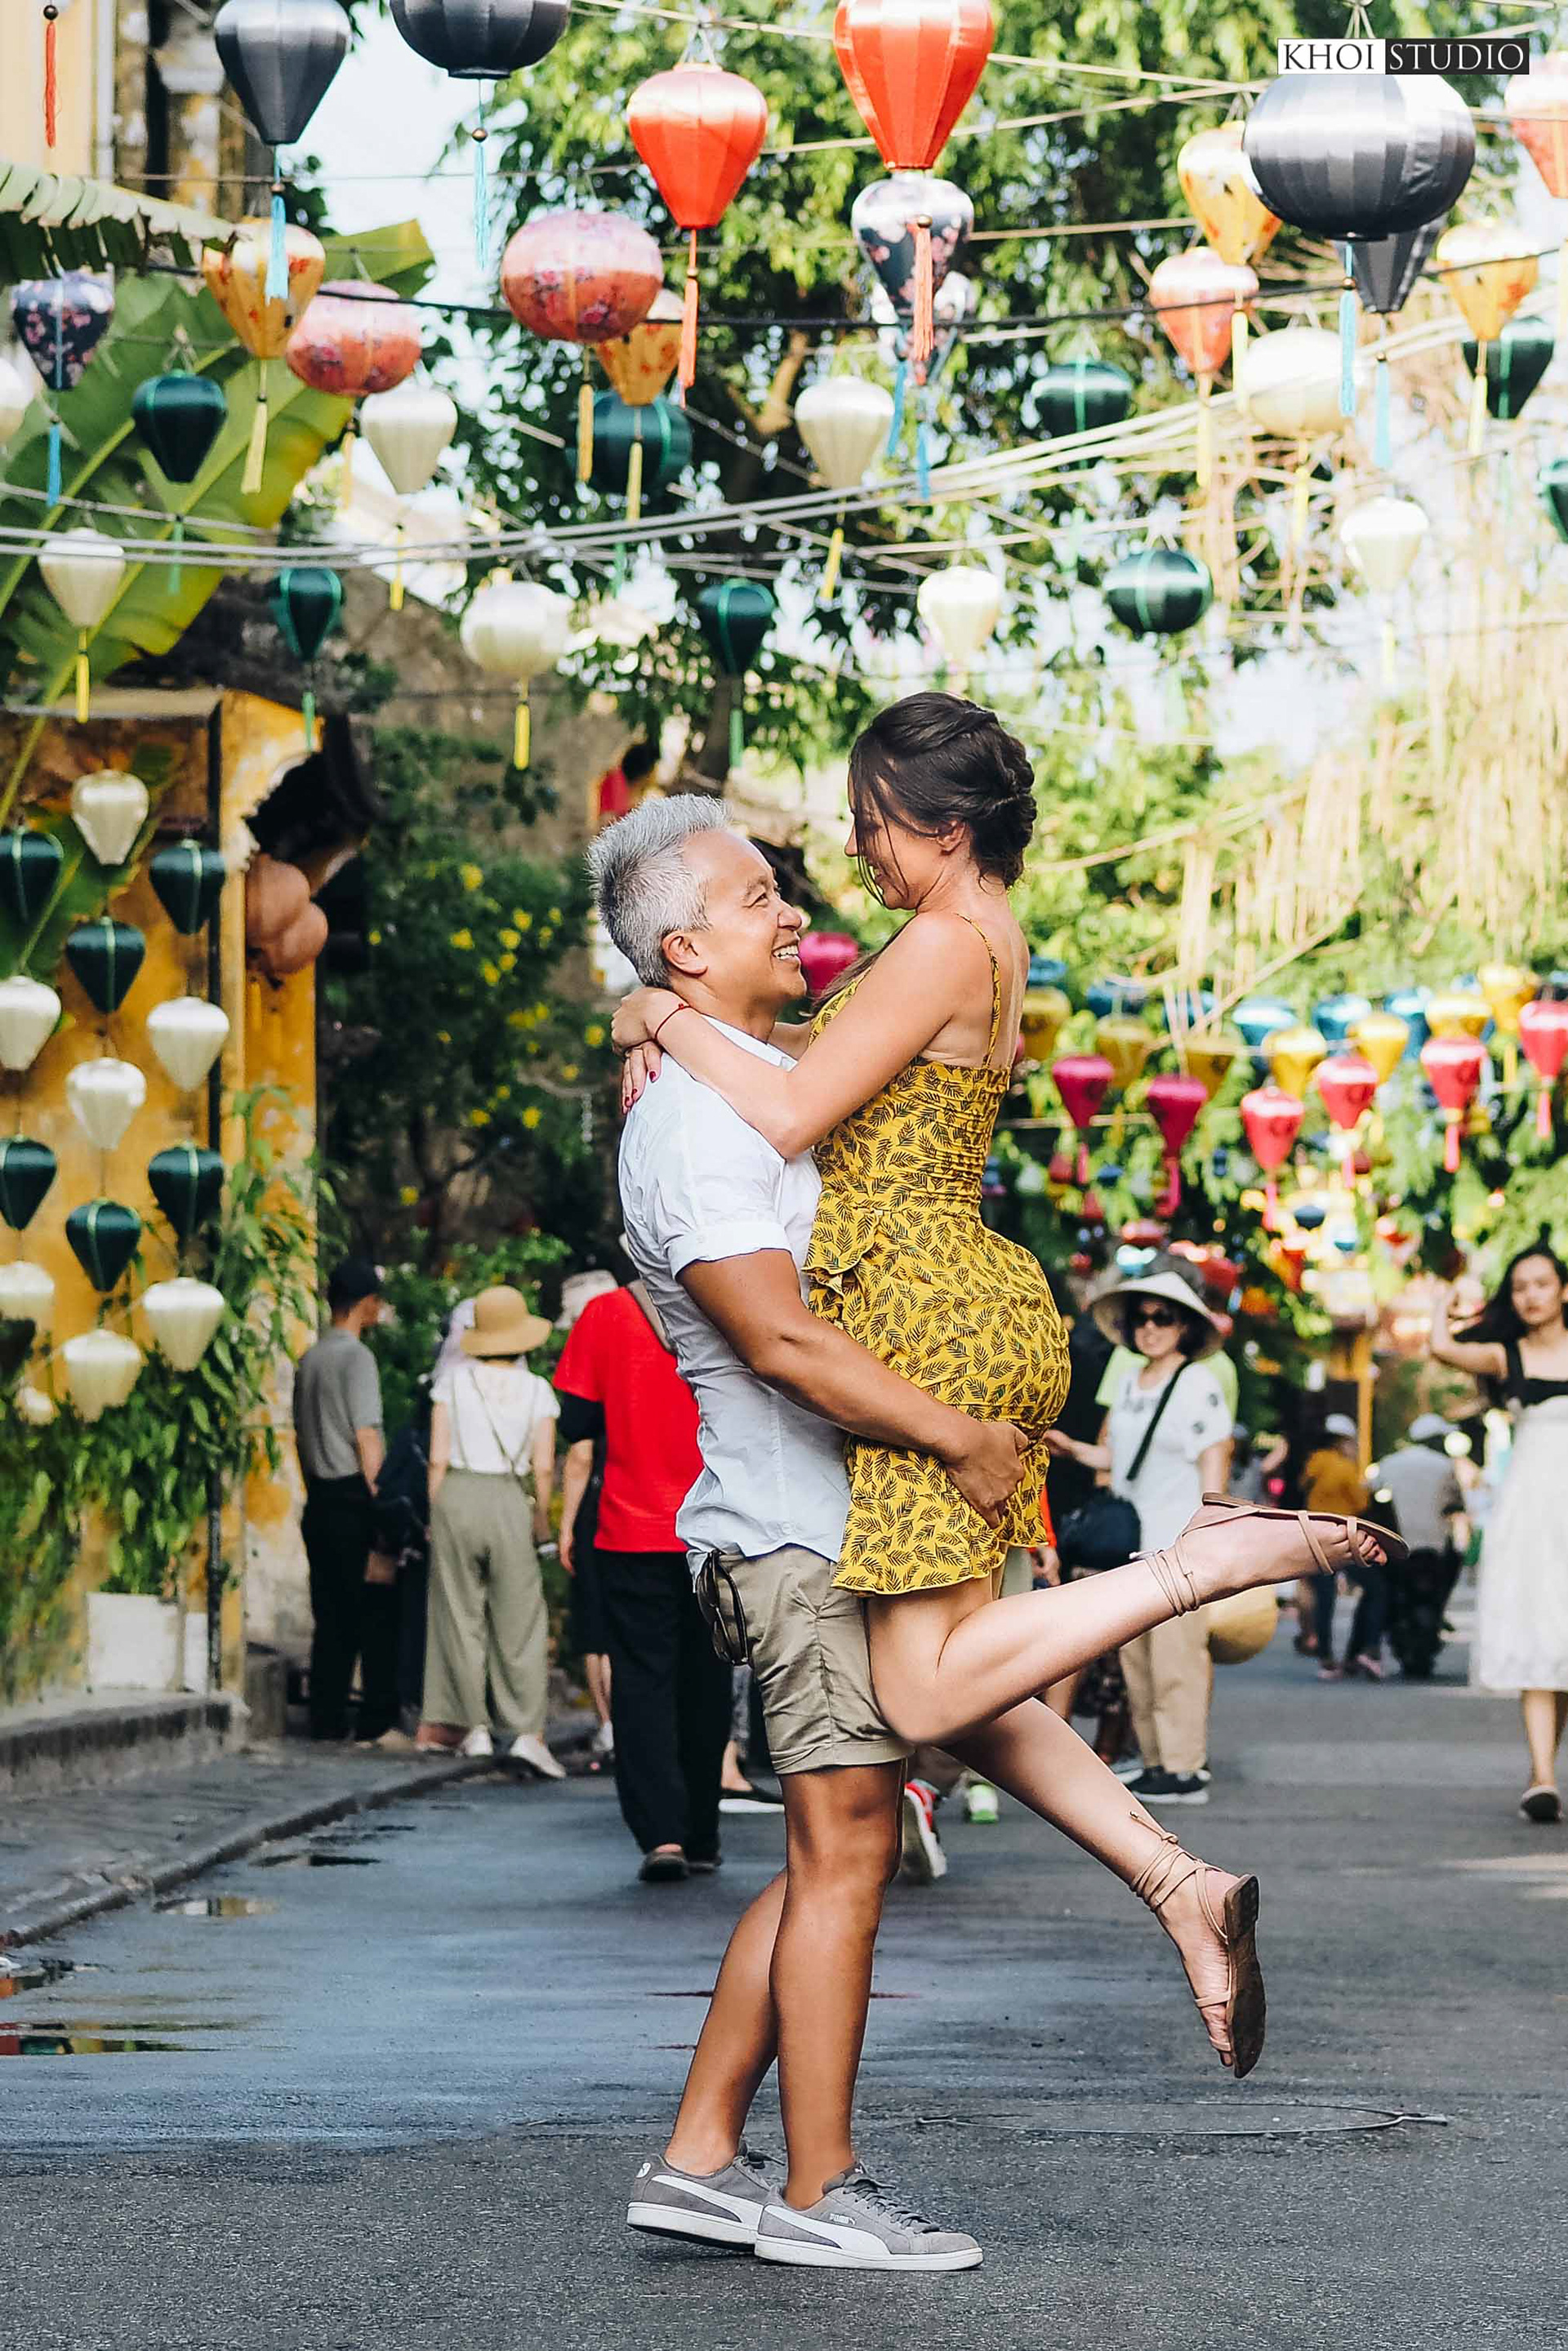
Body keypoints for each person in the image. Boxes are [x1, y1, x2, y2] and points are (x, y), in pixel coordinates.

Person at [599, 746, 1395, 2265]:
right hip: (795, 1521)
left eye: (830, 850)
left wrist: (658, 1008)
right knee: (852, 1842)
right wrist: (957, 1427)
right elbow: (782, 1336)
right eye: (758, 892)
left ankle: (705, 2154)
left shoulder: (771, 1053)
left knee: (859, 1815)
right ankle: (823, 2195)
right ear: (689, 943)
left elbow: (823, 1149)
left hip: (833, 1501)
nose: (807, 895)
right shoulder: (702, 1116)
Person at [555, 1262, 733, 1882]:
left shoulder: (605, 1314)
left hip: (630, 1528)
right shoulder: (728, 1300)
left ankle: (663, 1834)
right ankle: (703, 1830)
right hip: (715, 1526)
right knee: (708, 1681)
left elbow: (574, 1418)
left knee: (642, 1681)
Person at [1045, 1267, 1234, 1806]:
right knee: (1138, 1660)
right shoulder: (1130, 1383)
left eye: (1163, 1318)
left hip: (1179, 1542)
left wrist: (1211, 1523)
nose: (1150, 1328)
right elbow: (1121, 1462)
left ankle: (1184, 1768)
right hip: (1132, 1546)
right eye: (1141, 1319)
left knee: (1177, 1657)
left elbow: (1215, 1453)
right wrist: (1075, 1449)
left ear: (1185, 1327)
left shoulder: (1197, 1383)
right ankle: (1155, 1761)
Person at [1430, 1244, 1568, 1822]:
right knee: (1540, 1641)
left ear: (1564, 1289)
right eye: (1520, 1287)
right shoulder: (1506, 1354)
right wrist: (1449, 1300)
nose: (1532, 1294)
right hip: (1534, 1508)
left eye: (1542, 1283)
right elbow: (1440, 1346)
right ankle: (1541, 1777)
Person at [423, 1285, 564, 1776]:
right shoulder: (539, 1391)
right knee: (521, 1619)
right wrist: (540, 1517)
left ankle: (473, 1729)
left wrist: (434, 1512)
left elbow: (437, 1457)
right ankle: (526, 1733)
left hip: (458, 1495)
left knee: (459, 1614)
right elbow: (543, 1469)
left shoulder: (452, 1385)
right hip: (509, 1498)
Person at [293, 1256, 389, 1743]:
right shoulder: (357, 1358)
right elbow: (366, 1435)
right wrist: (384, 1500)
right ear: (365, 1304)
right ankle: (369, 1718)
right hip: (353, 1497)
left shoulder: (309, 1358)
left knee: (327, 1614)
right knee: (363, 1613)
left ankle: (325, 1716)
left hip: (318, 1497)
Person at [555, 1269, 619, 1762]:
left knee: (599, 1627)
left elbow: (580, 1454)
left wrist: (565, 1525)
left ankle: (610, 1724)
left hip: (603, 1502)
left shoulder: (593, 1358)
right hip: (654, 1497)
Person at [1374, 1414, 1466, 1681]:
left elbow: (1374, 1497)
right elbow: (1457, 1503)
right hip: (1434, 1548)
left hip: (1397, 1546)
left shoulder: (1389, 1463)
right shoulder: (1444, 1465)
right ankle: (1440, 1613)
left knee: (1387, 1591)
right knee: (1450, 1572)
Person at [1302, 1416, 1372, 1679]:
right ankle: (1357, 1652)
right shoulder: (1344, 1468)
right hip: (1344, 1538)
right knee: (1375, 1588)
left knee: (1325, 1599)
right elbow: (1361, 1503)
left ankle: (1326, 1658)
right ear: (1343, 1441)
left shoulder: (1312, 1464)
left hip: (1314, 1537)